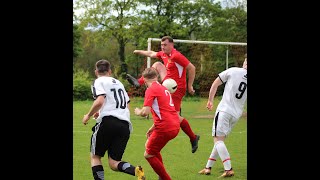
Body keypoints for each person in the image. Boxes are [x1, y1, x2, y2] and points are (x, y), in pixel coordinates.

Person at [127, 35, 200, 153]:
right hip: (168, 83)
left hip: (176, 88)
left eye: (165, 45)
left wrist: (190, 85)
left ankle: (193, 137)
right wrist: (138, 51)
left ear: (172, 45)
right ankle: (139, 82)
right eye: (161, 45)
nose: (163, 47)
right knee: (156, 64)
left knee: (175, 117)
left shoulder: (177, 56)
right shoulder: (164, 54)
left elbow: (192, 68)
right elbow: (151, 53)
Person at [82, 59, 145, 180]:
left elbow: (100, 100)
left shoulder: (98, 81)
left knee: (95, 156)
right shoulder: (119, 83)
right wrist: (101, 112)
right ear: (109, 71)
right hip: (124, 125)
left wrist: (88, 115)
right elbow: (126, 105)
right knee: (114, 163)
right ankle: (135, 171)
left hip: (108, 123)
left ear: (96, 72)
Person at [198, 54, 247, 178]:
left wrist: (210, 100)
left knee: (218, 140)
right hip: (236, 114)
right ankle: (208, 167)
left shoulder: (233, 70)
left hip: (225, 110)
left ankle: (228, 169)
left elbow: (215, 84)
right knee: (220, 141)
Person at [134, 67, 181, 180]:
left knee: (148, 154)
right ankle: (161, 176)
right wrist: (153, 127)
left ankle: (165, 178)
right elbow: (165, 111)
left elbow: (145, 112)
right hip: (174, 125)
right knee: (151, 148)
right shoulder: (164, 88)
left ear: (144, 80)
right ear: (157, 77)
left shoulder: (150, 89)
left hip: (165, 127)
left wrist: (138, 112)